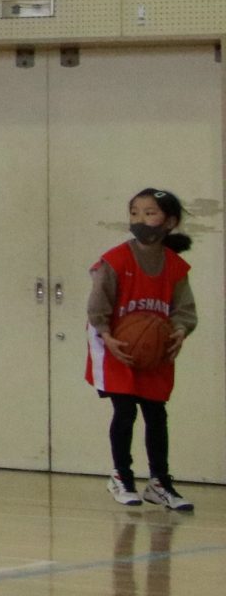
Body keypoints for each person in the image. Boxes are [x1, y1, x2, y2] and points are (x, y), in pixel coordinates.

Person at [87, 187, 198, 512]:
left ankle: (159, 482)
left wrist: (180, 330)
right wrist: (106, 336)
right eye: (134, 213)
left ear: (169, 222)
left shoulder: (175, 266)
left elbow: (184, 310)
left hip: (155, 351)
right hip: (117, 345)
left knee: (156, 413)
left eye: (149, 213)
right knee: (125, 411)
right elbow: (97, 306)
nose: (139, 219)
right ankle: (121, 476)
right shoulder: (115, 260)